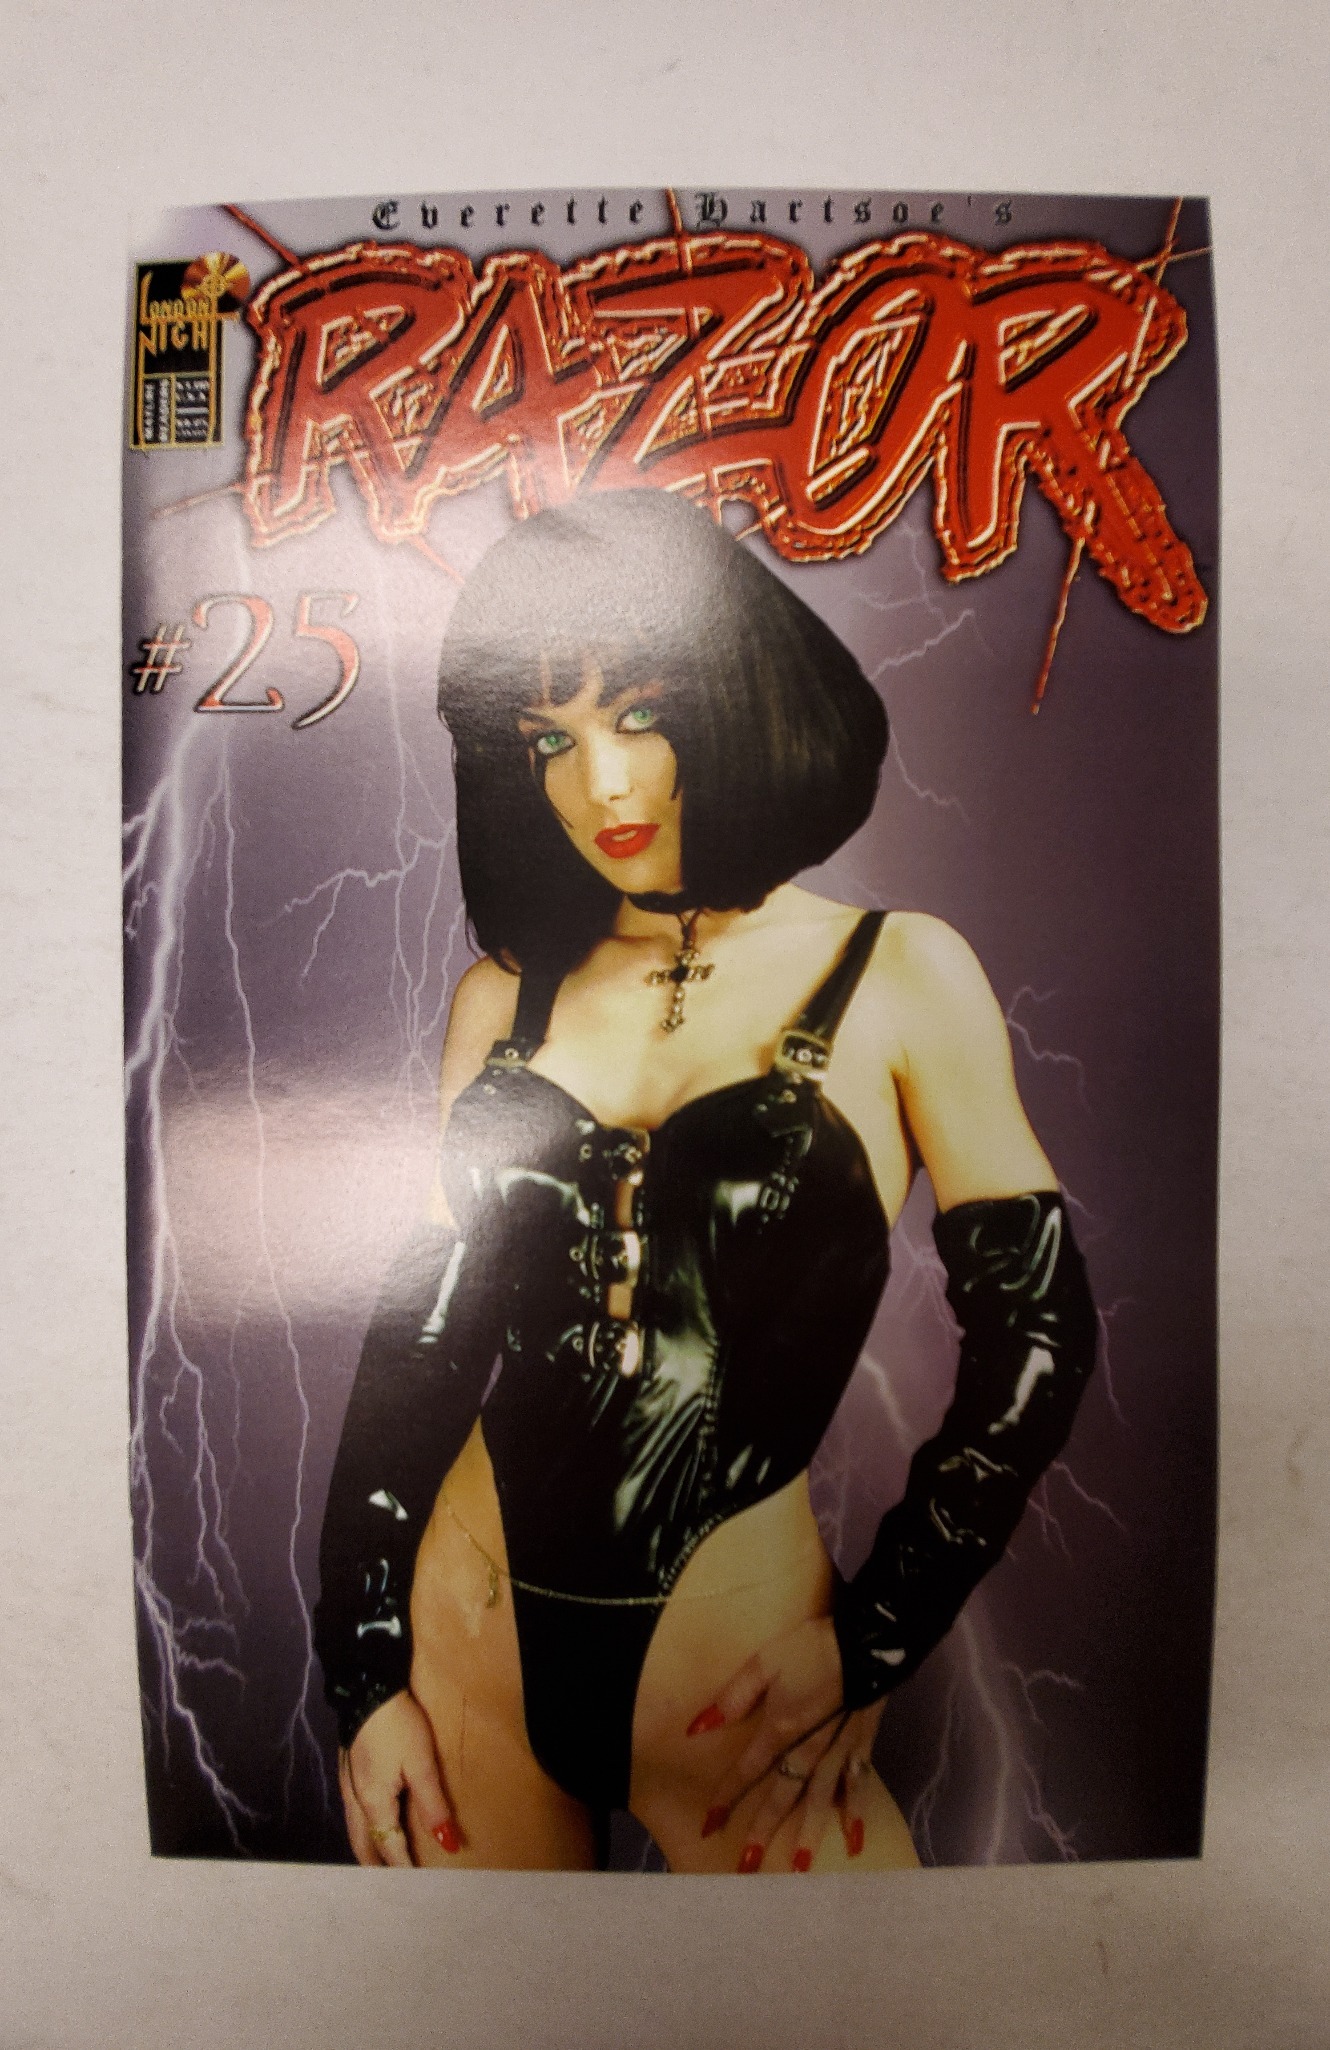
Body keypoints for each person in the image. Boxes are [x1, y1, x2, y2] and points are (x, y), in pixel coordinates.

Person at [314, 489, 1097, 1873]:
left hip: (737, 1692)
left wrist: (878, 1633)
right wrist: (365, 1668)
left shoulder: (900, 975)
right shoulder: (502, 998)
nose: (600, 788)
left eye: (641, 714)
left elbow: (1036, 1334)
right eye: (548, 739)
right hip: (468, 1652)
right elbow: (420, 1346)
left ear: (736, 698)